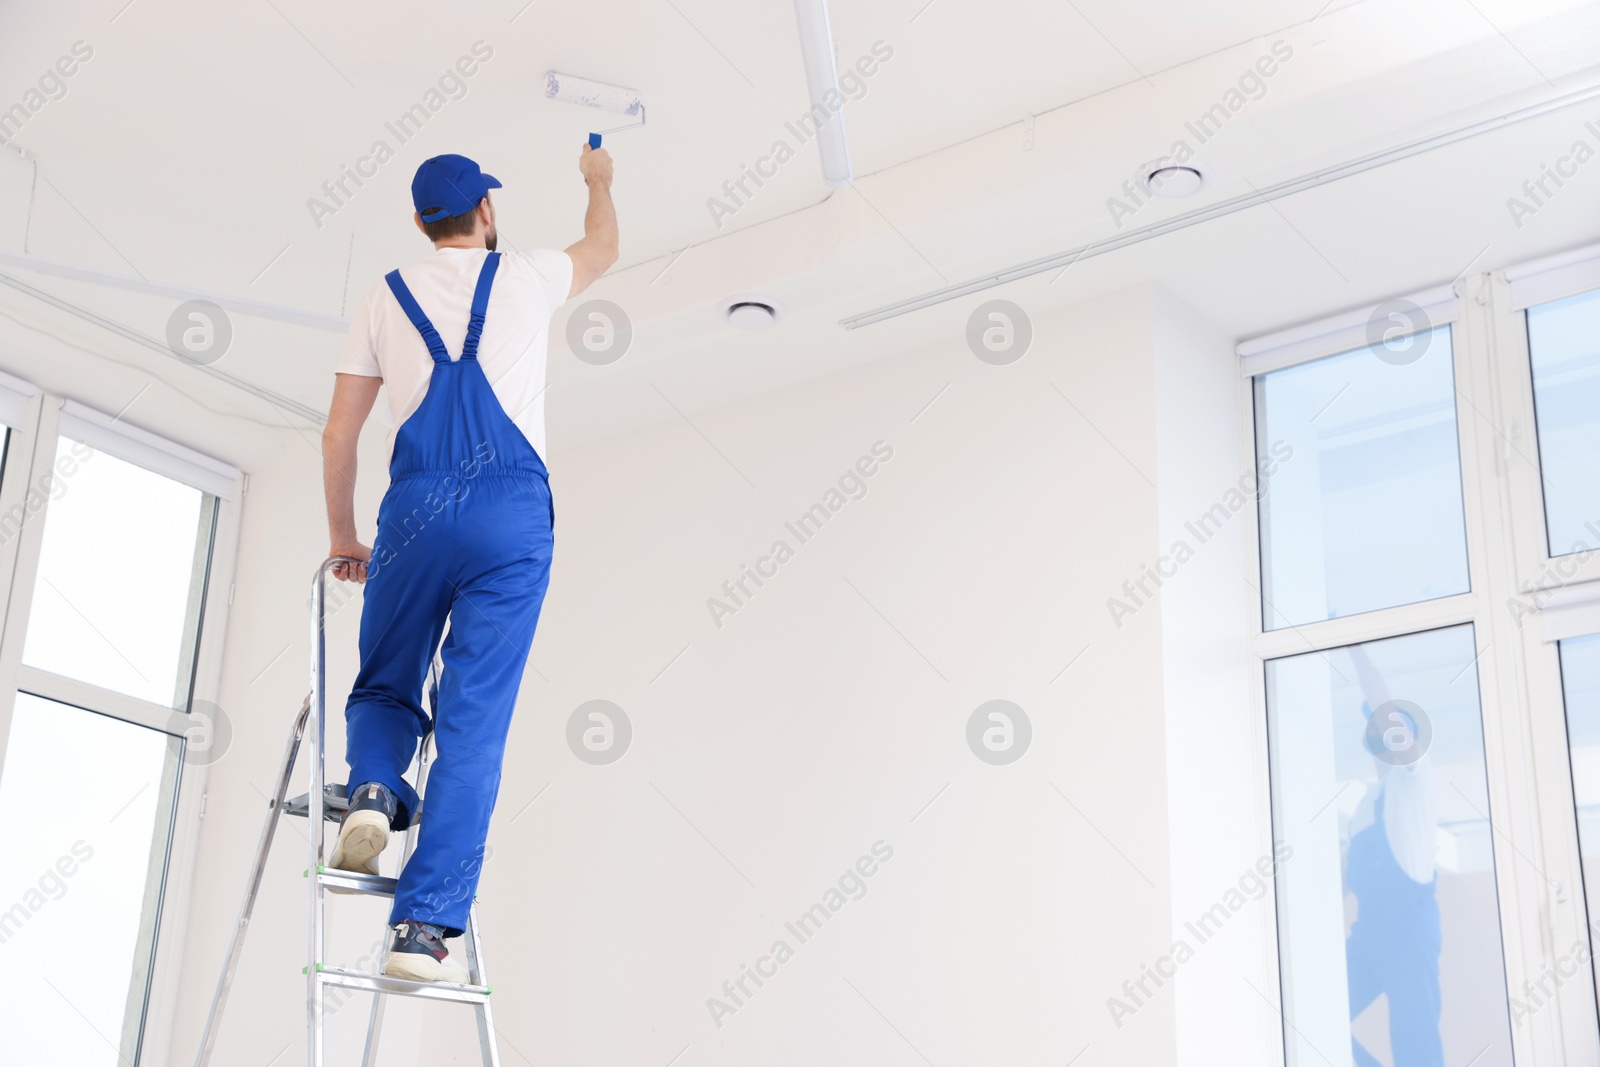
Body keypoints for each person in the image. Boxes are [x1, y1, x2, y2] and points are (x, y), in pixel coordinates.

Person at [319, 146, 617, 983]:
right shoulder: (525, 274)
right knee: (472, 726)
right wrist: (598, 180)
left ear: (420, 223)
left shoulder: (387, 293)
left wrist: (346, 539)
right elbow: (603, 247)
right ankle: (421, 929)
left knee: (386, 682)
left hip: (415, 511)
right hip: (512, 519)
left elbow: (339, 434)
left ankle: (374, 788)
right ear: (486, 212)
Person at [1344, 644, 1443, 1067]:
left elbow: (1385, 710)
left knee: (1415, 1045)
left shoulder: (1414, 779)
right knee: (1313, 1014)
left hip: (1409, 934)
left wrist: (1358, 655)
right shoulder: (1365, 804)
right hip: (1368, 935)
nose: (1390, 734)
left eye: (1398, 731)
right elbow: (1347, 872)